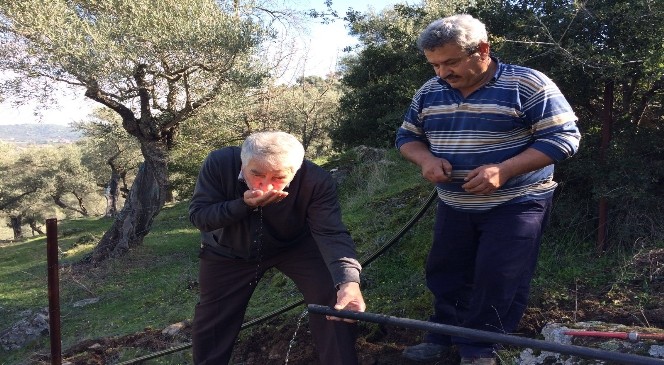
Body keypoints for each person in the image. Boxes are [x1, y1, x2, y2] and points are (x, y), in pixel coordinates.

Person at [395, 14, 581, 365]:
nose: (442, 73)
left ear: (482, 50)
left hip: (517, 200)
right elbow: (408, 137)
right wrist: (425, 161)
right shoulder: (429, 91)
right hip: (454, 202)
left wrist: (505, 169)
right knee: (446, 270)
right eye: (434, 65)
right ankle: (443, 334)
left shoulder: (527, 84)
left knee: (499, 274)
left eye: (450, 62)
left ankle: (480, 347)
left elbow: (564, 137)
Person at [189, 131, 366, 365]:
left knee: (334, 298)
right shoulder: (219, 163)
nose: (266, 186)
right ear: (243, 162)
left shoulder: (316, 180)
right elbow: (199, 216)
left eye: (279, 177)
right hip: (227, 250)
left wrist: (349, 281)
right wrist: (242, 204)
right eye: (257, 174)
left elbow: (331, 233)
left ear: (295, 170)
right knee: (212, 322)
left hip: (294, 246)